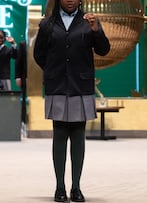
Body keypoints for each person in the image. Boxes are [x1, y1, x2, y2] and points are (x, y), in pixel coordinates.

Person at [33, 0, 110, 202]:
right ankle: (60, 188)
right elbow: (39, 54)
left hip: (80, 86)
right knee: (59, 134)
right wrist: (54, 70)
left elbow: (104, 50)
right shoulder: (47, 24)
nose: (70, 0)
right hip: (57, 85)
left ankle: (76, 188)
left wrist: (96, 31)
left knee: (78, 134)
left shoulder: (89, 22)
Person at [15, 40, 27, 137]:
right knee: (23, 100)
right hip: (25, 77)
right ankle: (24, 122)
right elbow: (18, 61)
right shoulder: (23, 44)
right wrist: (18, 76)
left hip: (40, 78)